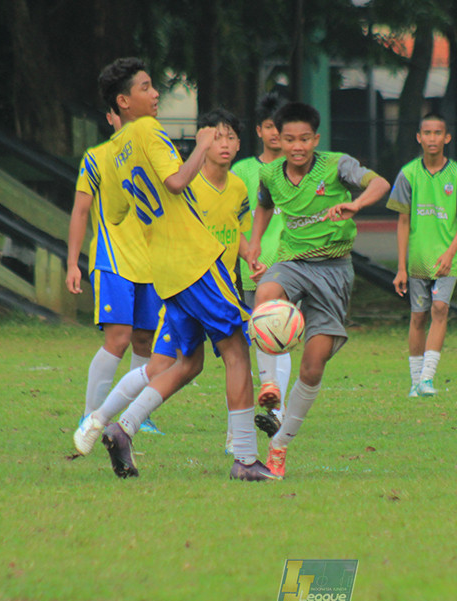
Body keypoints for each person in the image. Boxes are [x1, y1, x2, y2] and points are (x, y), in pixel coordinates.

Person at [74, 58, 276, 481]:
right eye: (146, 88)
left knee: (189, 362)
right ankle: (244, 459)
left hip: (164, 271)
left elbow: (114, 212)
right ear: (124, 101)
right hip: (195, 260)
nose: (155, 94)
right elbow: (176, 182)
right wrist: (201, 144)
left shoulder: (111, 154)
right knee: (237, 350)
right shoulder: (149, 131)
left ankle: (122, 428)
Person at [246, 101, 391, 479]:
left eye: (305, 139)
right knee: (264, 298)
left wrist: (356, 203)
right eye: (289, 139)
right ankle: (270, 384)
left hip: (334, 270)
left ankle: (279, 447)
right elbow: (263, 206)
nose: (297, 146)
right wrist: (255, 243)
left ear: (316, 139)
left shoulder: (336, 165)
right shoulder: (271, 173)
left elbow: (381, 183)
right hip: (292, 262)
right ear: (277, 139)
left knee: (313, 366)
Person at [65, 105, 164, 435]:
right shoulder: (97, 157)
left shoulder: (155, 155)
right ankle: (90, 414)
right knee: (118, 339)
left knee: (145, 340)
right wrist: (72, 263)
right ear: (110, 116)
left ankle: (138, 415)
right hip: (113, 262)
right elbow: (80, 211)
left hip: (152, 264)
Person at [388, 113, 457, 398]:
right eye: (427, 133)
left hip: (447, 259)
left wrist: (451, 253)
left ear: (447, 137)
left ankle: (427, 378)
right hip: (418, 260)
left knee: (440, 309)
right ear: (419, 137)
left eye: (438, 133)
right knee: (418, 316)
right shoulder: (408, 174)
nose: (433, 138)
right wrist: (401, 267)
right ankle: (414, 381)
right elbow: (402, 222)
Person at [232, 93, 291, 434]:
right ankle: (272, 406)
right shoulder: (242, 172)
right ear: (259, 130)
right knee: (257, 342)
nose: (275, 134)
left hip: (286, 270)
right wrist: (247, 255)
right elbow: (233, 222)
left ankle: (278, 412)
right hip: (248, 272)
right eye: (269, 127)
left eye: (280, 128)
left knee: (278, 336)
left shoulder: (295, 171)